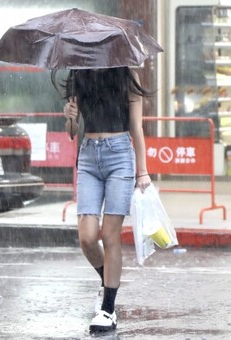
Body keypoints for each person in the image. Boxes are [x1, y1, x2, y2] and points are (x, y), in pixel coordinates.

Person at [53, 67, 151, 332]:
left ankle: (108, 309)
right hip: (88, 157)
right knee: (86, 237)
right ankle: (107, 281)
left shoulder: (127, 74)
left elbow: (136, 127)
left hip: (119, 155)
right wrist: (71, 119)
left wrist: (142, 171)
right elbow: (73, 132)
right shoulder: (79, 73)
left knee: (109, 235)